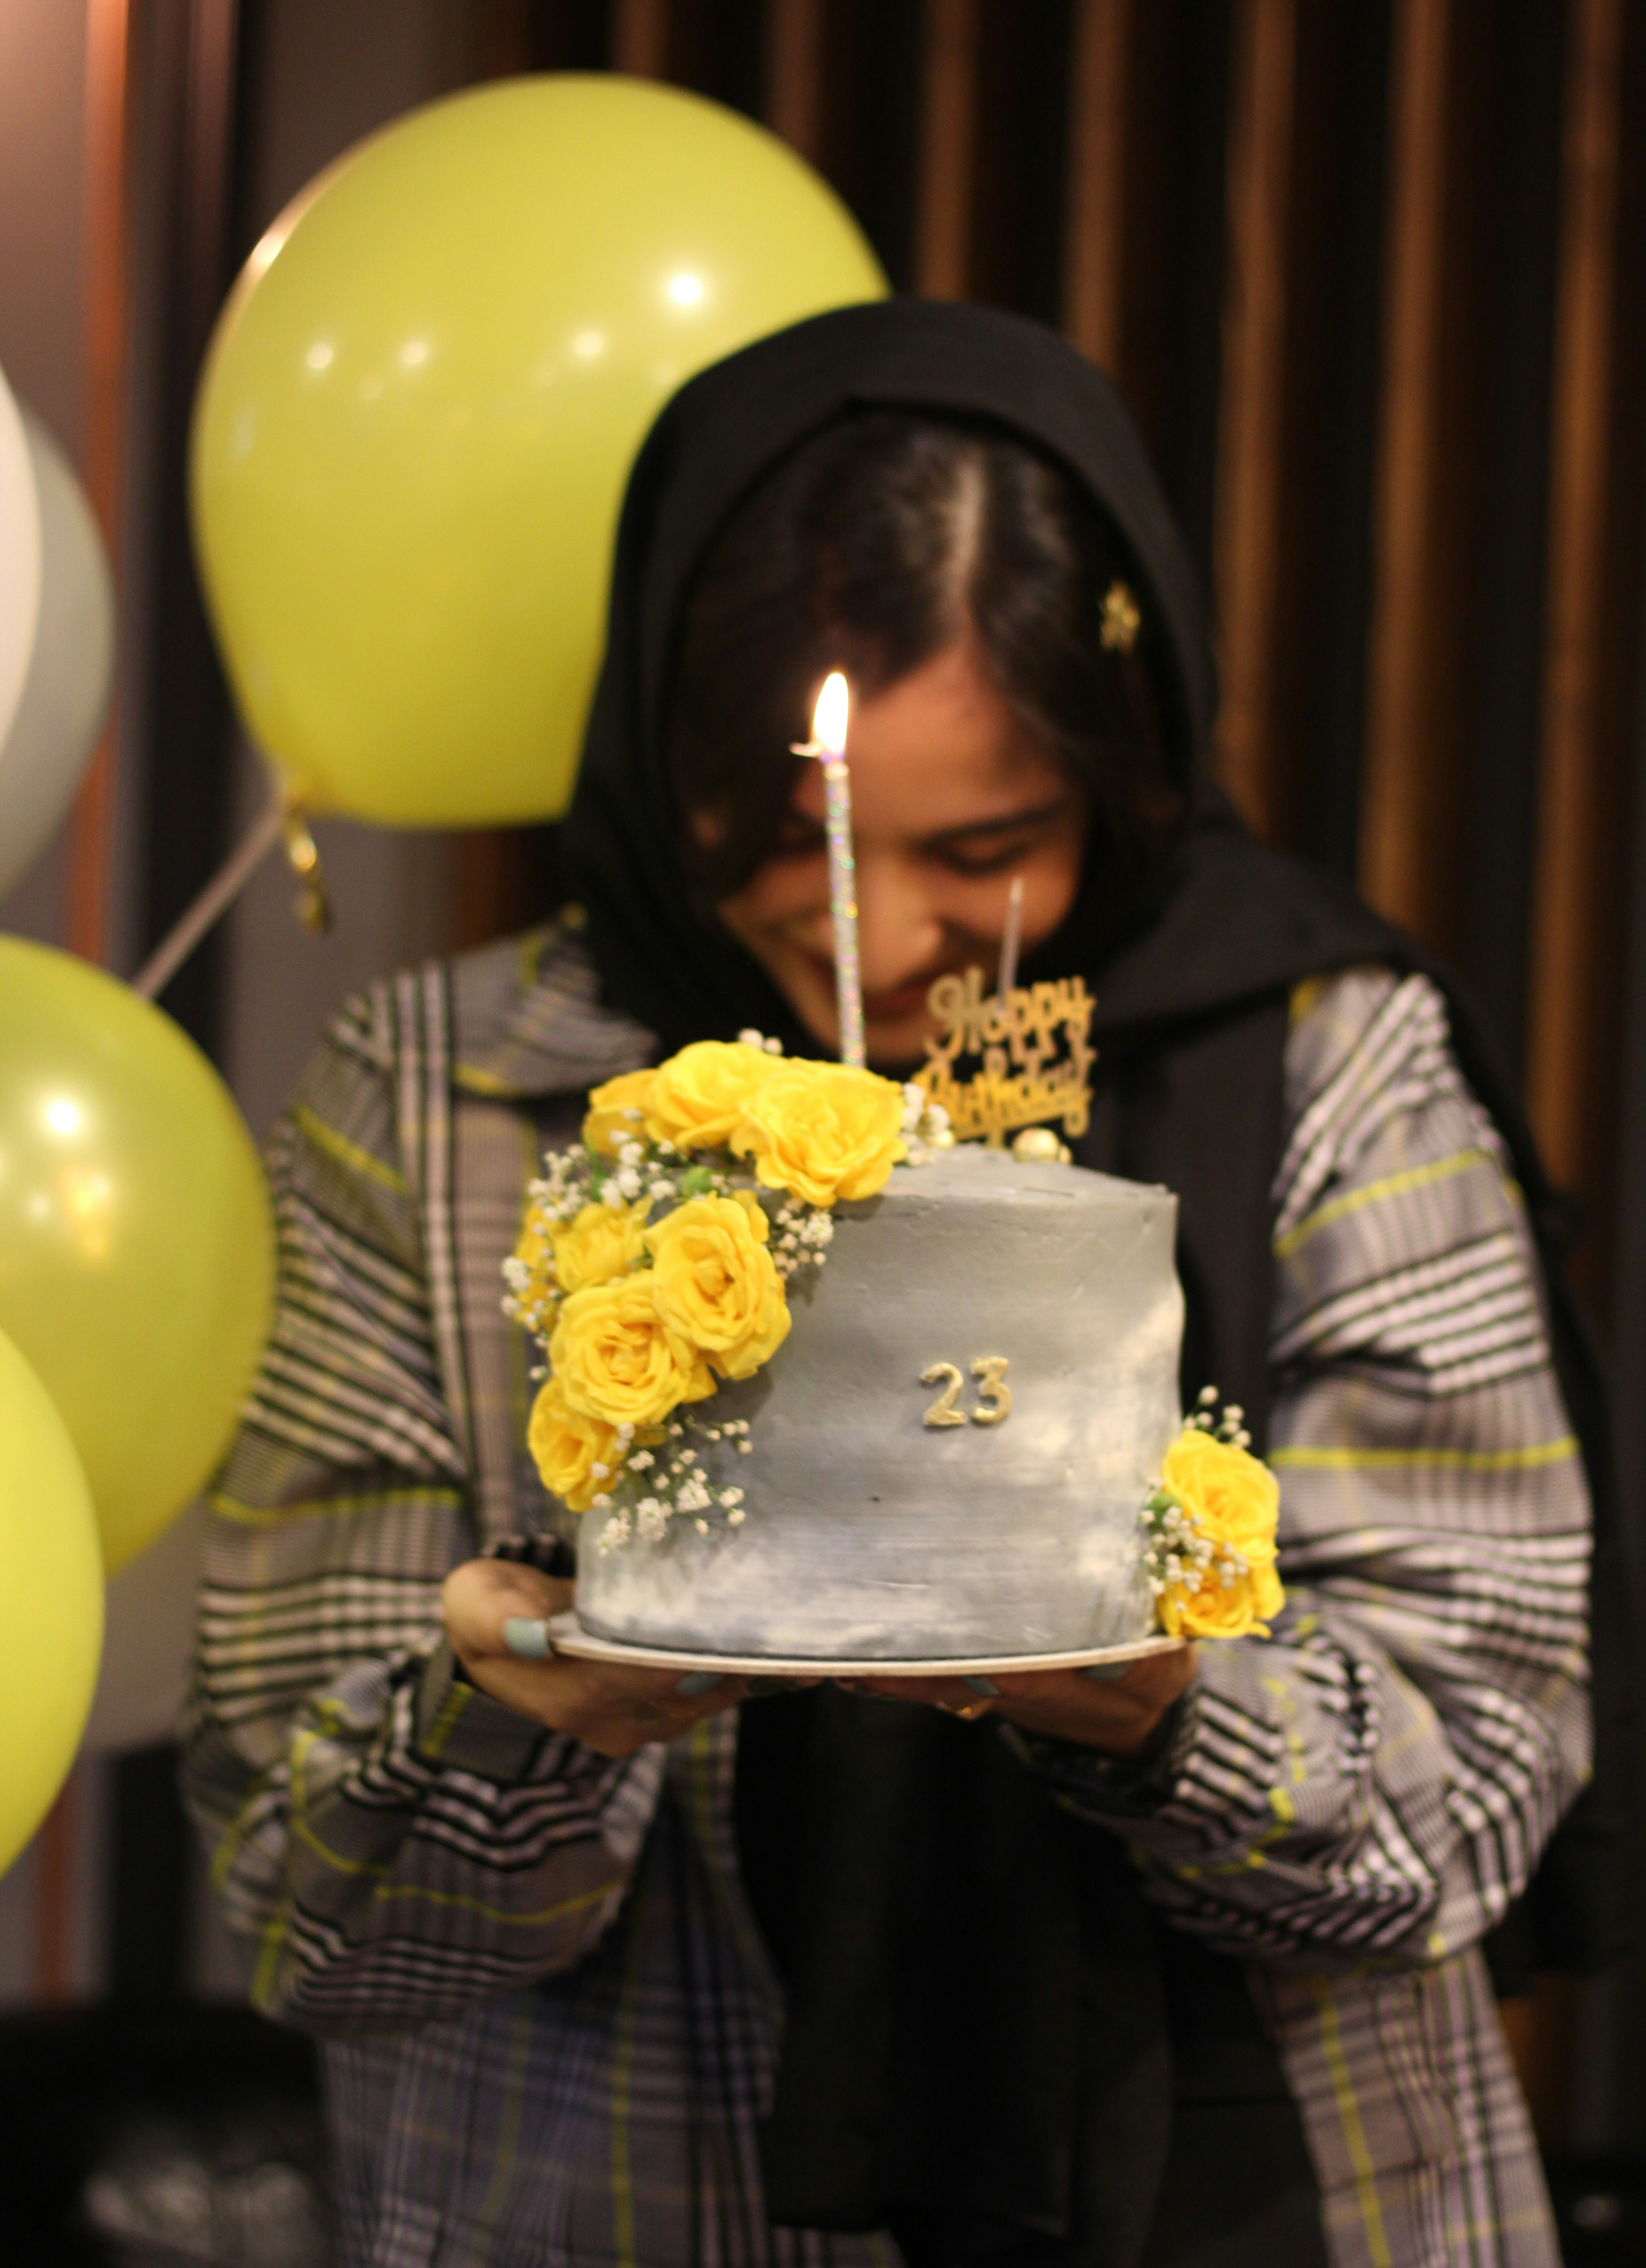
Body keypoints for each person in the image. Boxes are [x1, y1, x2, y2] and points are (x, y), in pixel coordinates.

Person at [182, 301, 1606, 2268]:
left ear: (1125, 766)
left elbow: (1485, 1774)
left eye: (992, 845)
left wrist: (1168, 1715)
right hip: (616, 2195)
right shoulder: (438, 1099)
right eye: (791, 839)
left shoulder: (1321, 1057)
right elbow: (295, 1897)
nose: (898, 926)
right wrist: (529, 1711)